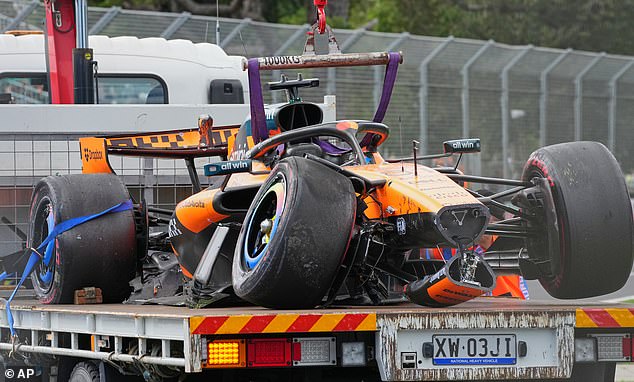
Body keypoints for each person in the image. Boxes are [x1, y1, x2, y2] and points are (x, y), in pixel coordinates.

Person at [420, 189, 529, 299]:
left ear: (494, 221)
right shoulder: (455, 244)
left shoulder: (506, 242)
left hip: (509, 304)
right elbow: (425, 251)